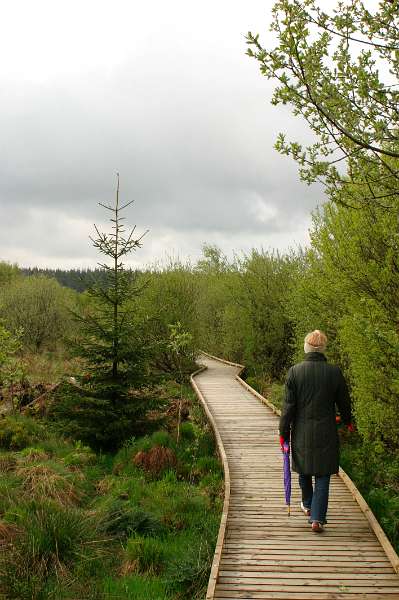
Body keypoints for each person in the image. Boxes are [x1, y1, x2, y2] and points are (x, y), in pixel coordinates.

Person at [279, 330, 353, 533]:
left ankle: (308, 503)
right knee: (323, 475)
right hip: (326, 431)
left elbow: (288, 407)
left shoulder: (295, 372)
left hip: (301, 430)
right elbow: (344, 402)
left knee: (304, 469)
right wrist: (348, 421)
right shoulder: (334, 372)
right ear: (323, 349)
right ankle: (317, 519)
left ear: (307, 347)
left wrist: (283, 432)